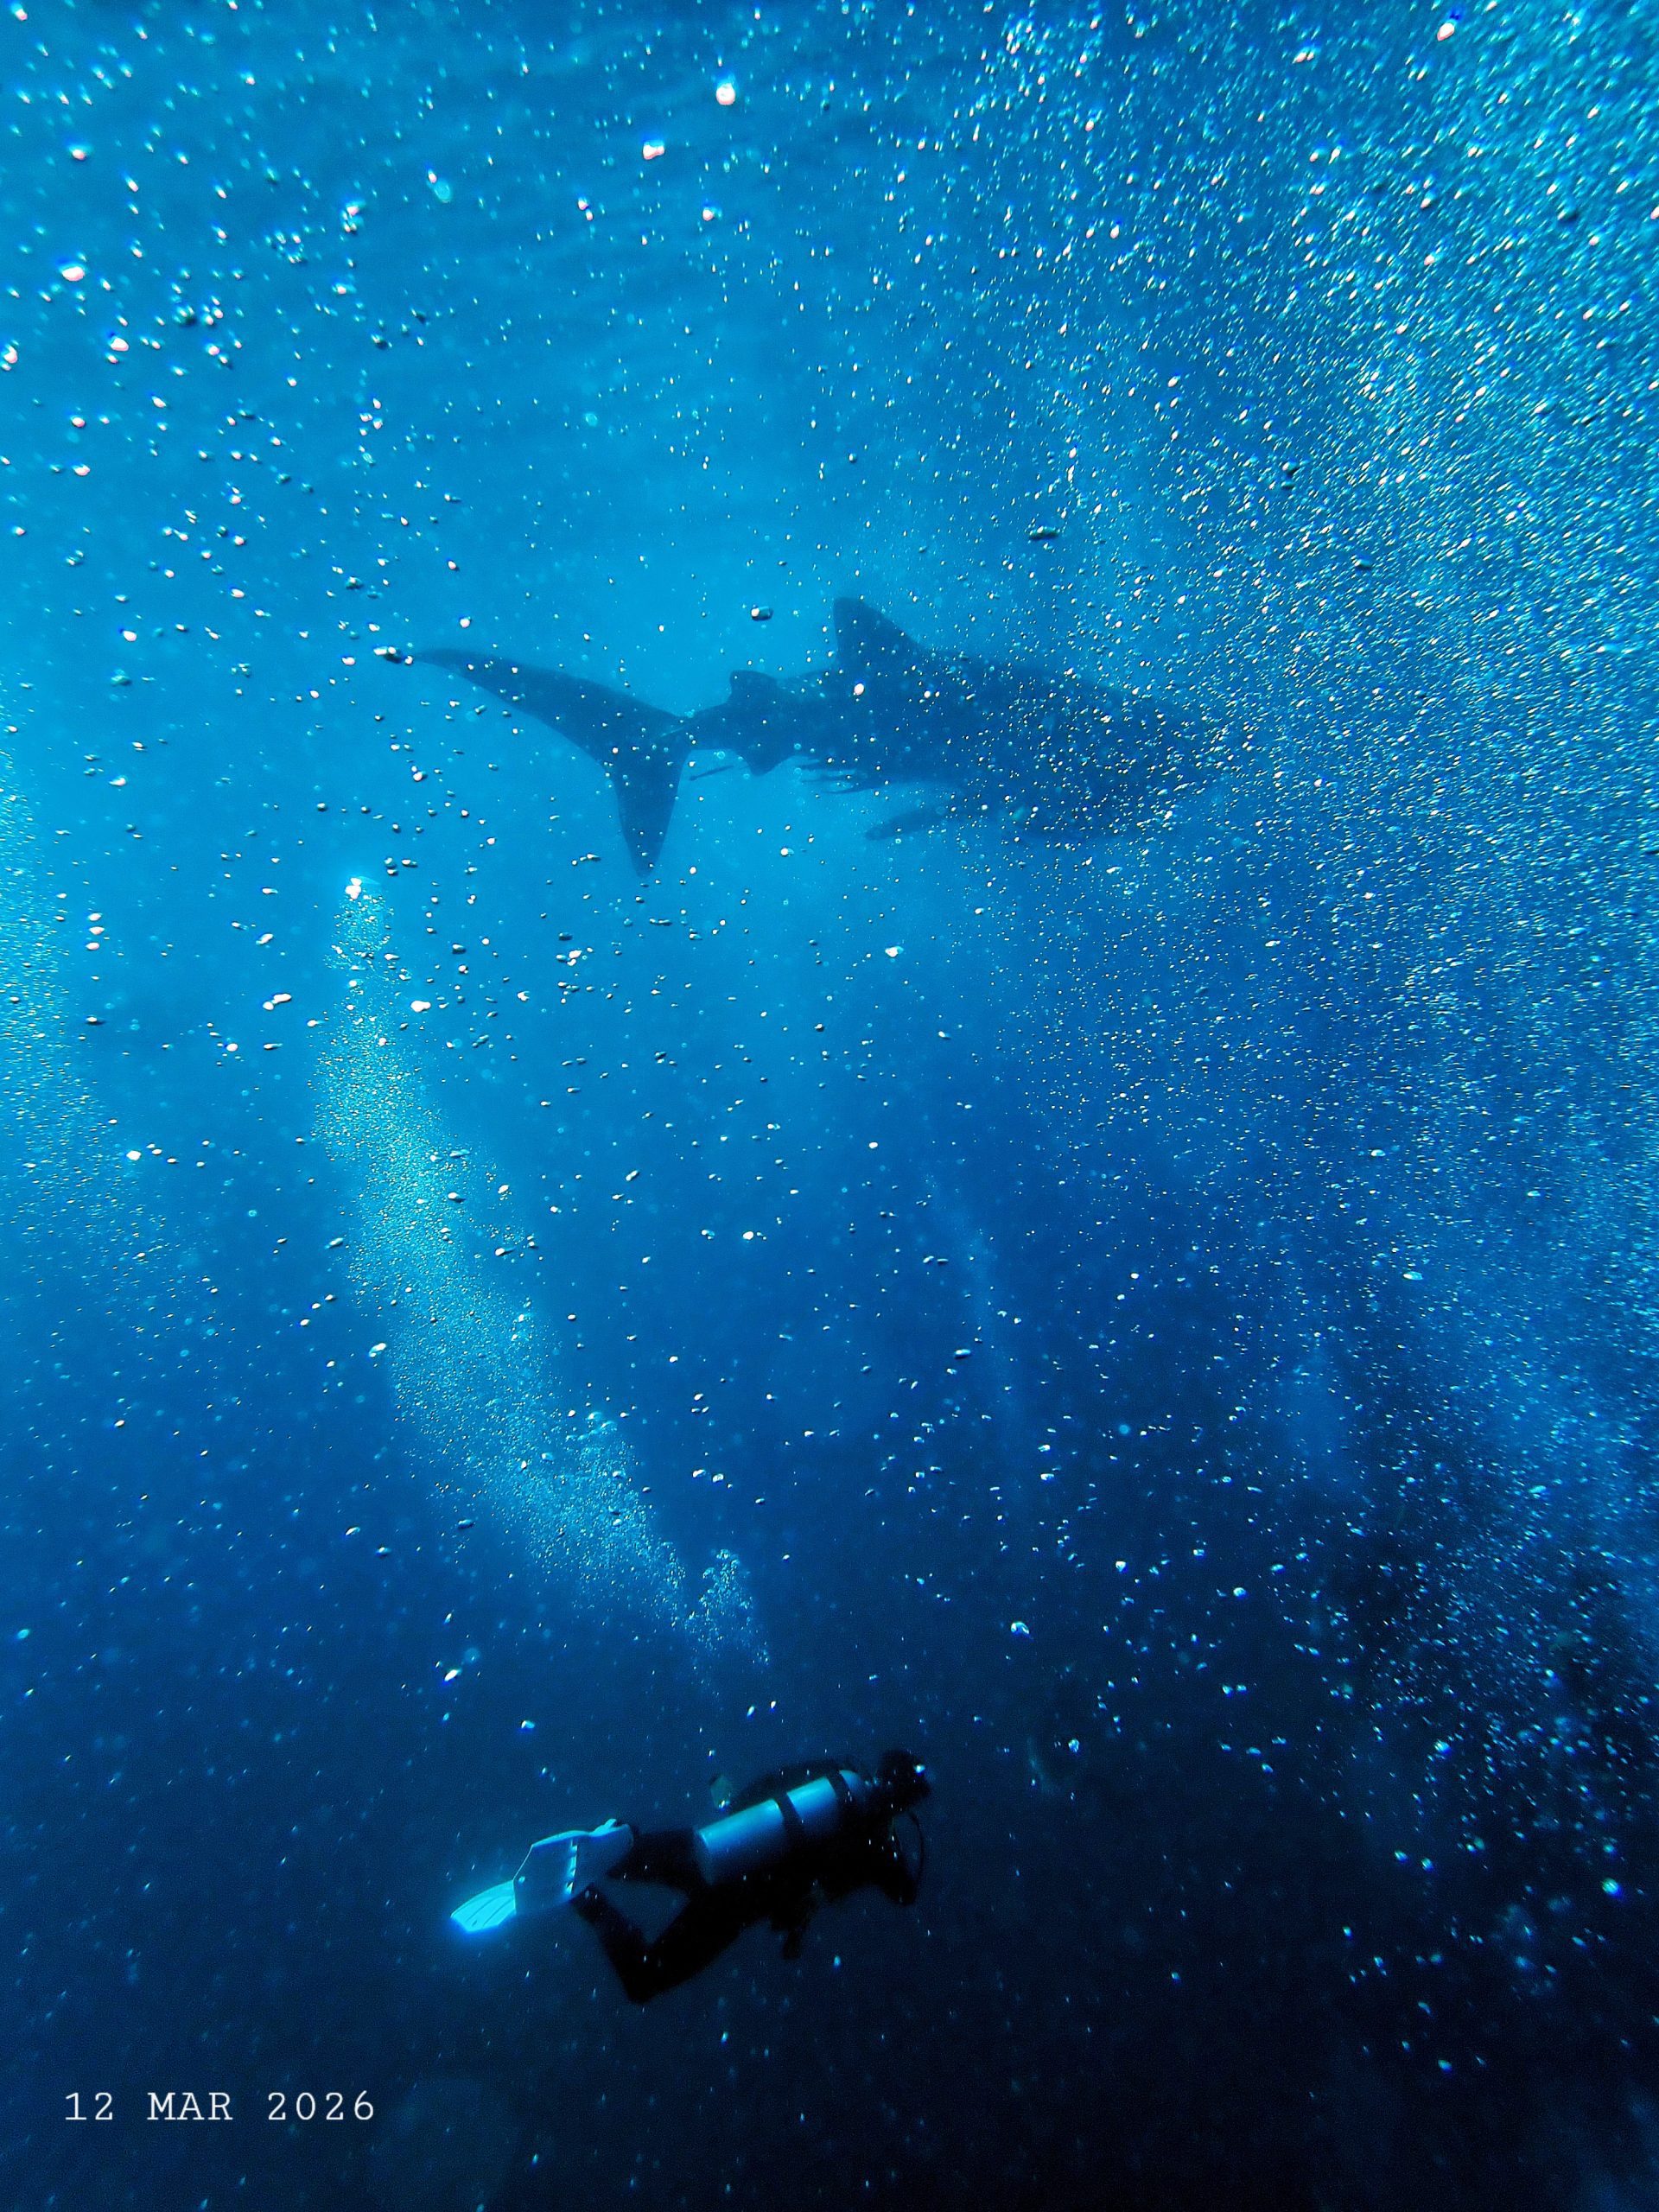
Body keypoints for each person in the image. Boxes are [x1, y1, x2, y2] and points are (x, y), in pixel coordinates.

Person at [451, 1750, 931, 2005]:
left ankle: (621, 1841)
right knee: (645, 1981)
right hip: (736, 1904)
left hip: (715, 1846)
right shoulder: (877, 1848)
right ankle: (589, 1901)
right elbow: (906, 1892)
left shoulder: (837, 1772)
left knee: (635, 1856)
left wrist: (733, 1810)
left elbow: (767, 1785)